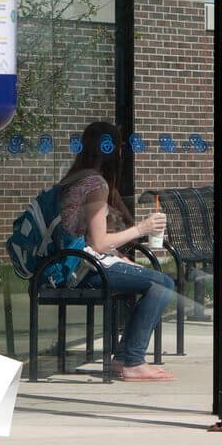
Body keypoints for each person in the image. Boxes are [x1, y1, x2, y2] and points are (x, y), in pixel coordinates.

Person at [58, 121, 176, 381]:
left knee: (150, 280)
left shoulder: (73, 179)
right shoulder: (95, 184)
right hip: (80, 271)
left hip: (68, 265)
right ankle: (131, 360)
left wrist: (120, 258)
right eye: (121, 146)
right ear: (110, 149)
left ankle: (125, 358)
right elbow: (99, 243)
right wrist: (143, 228)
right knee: (162, 284)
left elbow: (86, 239)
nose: (123, 152)